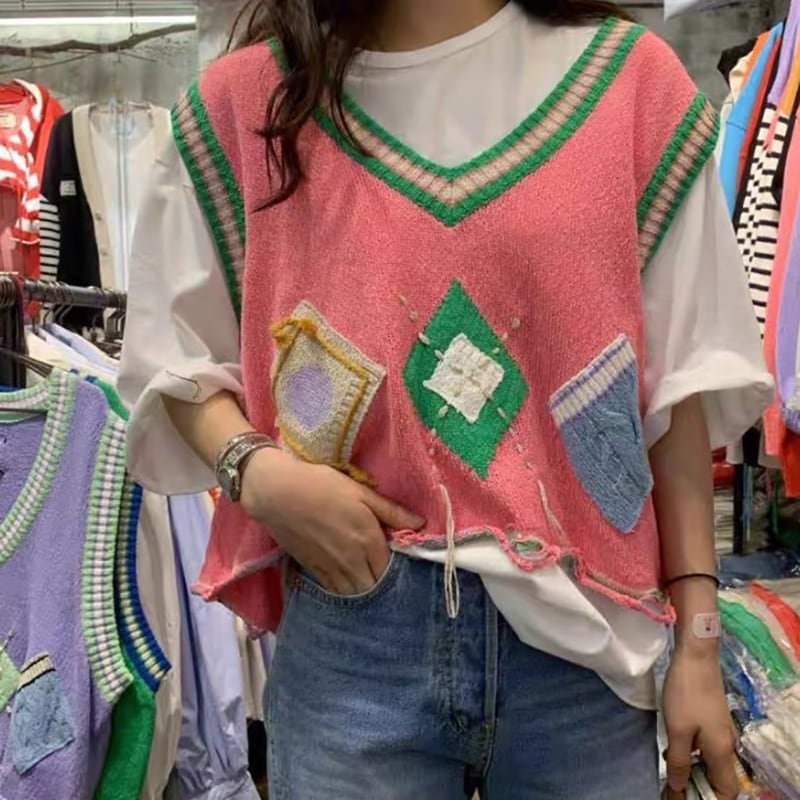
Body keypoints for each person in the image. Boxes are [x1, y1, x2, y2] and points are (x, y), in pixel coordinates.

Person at [119, 1, 774, 798]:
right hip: (353, 621)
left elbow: (676, 394)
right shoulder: (248, 106)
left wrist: (699, 641)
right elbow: (173, 357)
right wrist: (255, 472)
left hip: (589, 643)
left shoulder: (632, 87)